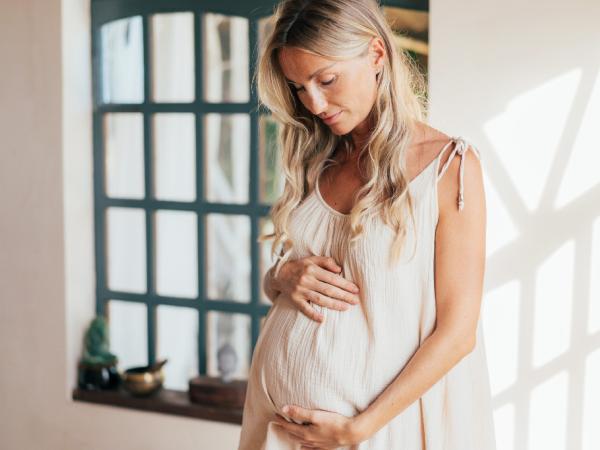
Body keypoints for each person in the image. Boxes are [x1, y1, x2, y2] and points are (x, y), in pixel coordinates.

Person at [238, 0, 496, 449]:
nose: (314, 103)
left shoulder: (448, 168)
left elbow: (458, 334)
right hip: (278, 430)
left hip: (372, 433)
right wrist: (279, 277)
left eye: (327, 79)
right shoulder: (316, 158)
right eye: (299, 87)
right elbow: (290, 281)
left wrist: (357, 429)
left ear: (376, 54)